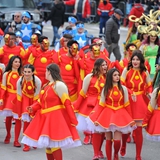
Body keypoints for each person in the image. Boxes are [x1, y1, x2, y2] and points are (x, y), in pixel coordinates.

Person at [21, 63, 81, 160]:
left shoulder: (59, 85)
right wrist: (33, 107)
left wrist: (73, 120)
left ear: (50, 72)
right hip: (45, 117)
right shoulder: (47, 85)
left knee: (54, 144)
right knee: (48, 146)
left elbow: (67, 103)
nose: (45, 73)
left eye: (46, 71)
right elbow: (41, 101)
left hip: (55, 118)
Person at [86, 68, 136, 160]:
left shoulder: (123, 89)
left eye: (118, 75)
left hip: (120, 115)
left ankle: (116, 154)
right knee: (108, 139)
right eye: (115, 75)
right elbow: (101, 104)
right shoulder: (105, 89)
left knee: (117, 141)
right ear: (110, 77)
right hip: (107, 115)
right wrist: (97, 118)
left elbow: (127, 104)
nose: (117, 77)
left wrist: (131, 119)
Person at [121, 50, 152, 160]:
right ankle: (123, 145)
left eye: (137, 59)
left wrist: (150, 94)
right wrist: (130, 93)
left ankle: (138, 155)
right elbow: (122, 85)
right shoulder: (127, 70)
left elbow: (149, 86)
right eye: (133, 59)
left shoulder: (145, 72)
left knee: (138, 130)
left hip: (140, 102)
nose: (135, 61)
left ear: (141, 61)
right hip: (128, 101)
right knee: (127, 128)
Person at [74, 58, 107, 159]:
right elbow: (83, 92)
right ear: (97, 66)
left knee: (102, 130)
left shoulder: (108, 77)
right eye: (103, 65)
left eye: (106, 65)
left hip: (104, 105)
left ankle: (99, 150)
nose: (105, 67)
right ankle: (96, 153)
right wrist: (77, 106)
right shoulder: (89, 77)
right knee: (96, 129)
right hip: (91, 106)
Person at [14, 64, 42, 151]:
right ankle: (26, 144)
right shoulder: (20, 80)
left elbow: (37, 95)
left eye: (29, 72)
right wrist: (19, 109)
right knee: (26, 122)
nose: (26, 74)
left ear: (33, 72)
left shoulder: (37, 81)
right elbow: (19, 94)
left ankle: (33, 141)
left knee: (34, 122)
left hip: (34, 100)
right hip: (24, 100)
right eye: (25, 72)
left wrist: (33, 108)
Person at [0, 56, 22, 147]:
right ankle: (8, 134)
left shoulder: (22, 74)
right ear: (11, 62)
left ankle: (16, 140)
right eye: (15, 61)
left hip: (19, 97)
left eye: (19, 62)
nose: (17, 63)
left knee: (18, 119)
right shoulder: (6, 74)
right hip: (9, 97)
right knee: (9, 118)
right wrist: (1, 98)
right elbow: (3, 87)